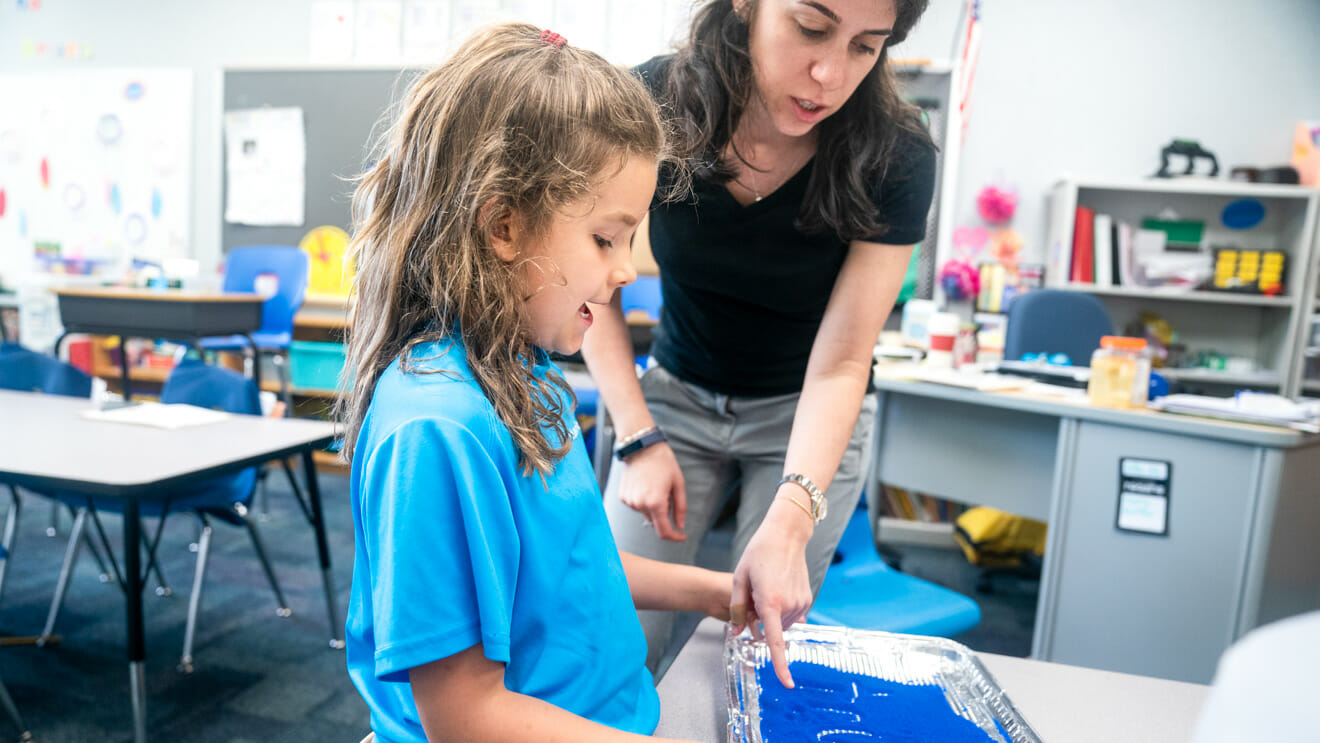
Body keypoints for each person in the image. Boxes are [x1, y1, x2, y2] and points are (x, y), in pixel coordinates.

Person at [338, 24, 730, 743]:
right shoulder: (437, 428)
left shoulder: (526, 369)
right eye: (606, 239)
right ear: (505, 226)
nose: (625, 270)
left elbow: (568, 570)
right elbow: (466, 716)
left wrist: (720, 592)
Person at [581, 0, 936, 687]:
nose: (830, 74)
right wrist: (637, 435)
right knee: (615, 637)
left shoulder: (896, 154)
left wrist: (795, 512)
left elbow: (841, 362)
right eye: (810, 27)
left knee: (752, 649)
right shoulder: (650, 103)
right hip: (675, 396)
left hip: (804, 410)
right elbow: (594, 285)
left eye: (867, 46)